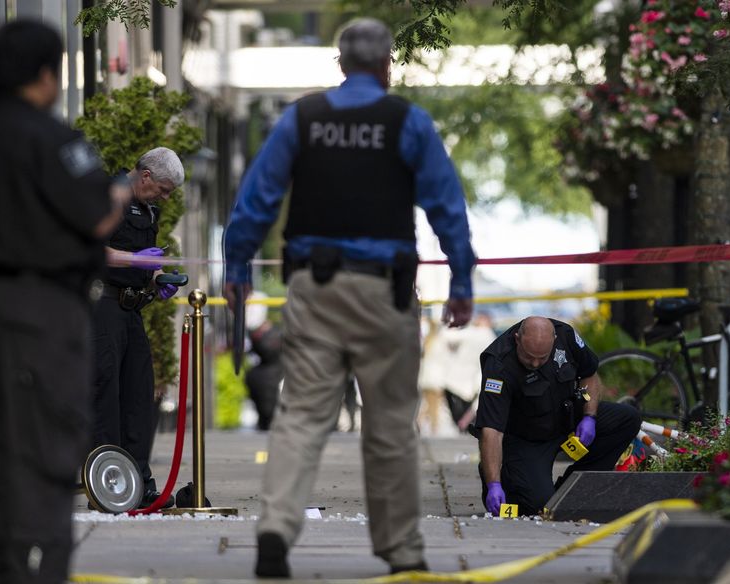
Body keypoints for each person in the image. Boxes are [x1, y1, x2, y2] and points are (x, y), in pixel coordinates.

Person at [223, 18, 475, 578]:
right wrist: (460, 282)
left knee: (302, 414)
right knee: (388, 423)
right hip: (384, 291)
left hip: (314, 286)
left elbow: (256, 198)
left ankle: (275, 530)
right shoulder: (408, 123)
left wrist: (237, 265)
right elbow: (446, 206)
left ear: (341, 65)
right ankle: (402, 550)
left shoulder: (303, 119)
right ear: (388, 65)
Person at [0, 20, 130, 584]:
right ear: (46, 74)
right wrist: (119, 192)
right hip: (50, 308)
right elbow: (98, 213)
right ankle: (40, 569)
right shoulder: (54, 139)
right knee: (49, 442)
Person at [91, 147, 185, 509]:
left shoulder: (148, 209)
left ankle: (139, 481)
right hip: (102, 304)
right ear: (145, 176)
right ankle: (107, 484)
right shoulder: (107, 196)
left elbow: (144, 258)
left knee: (138, 396)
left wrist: (159, 278)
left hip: (131, 307)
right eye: (162, 189)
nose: (164, 197)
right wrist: (134, 260)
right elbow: (86, 249)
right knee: (106, 395)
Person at [474, 316, 641, 517]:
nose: (535, 363)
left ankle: (575, 488)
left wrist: (589, 417)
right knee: (539, 505)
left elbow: (590, 374)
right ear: (517, 339)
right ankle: (509, 480)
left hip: (568, 418)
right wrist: (494, 483)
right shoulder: (498, 363)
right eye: (528, 357)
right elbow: (491, 430)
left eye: (542, 358)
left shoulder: (566, 335)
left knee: (628, 419)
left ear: (554, 340)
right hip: (528, 439)